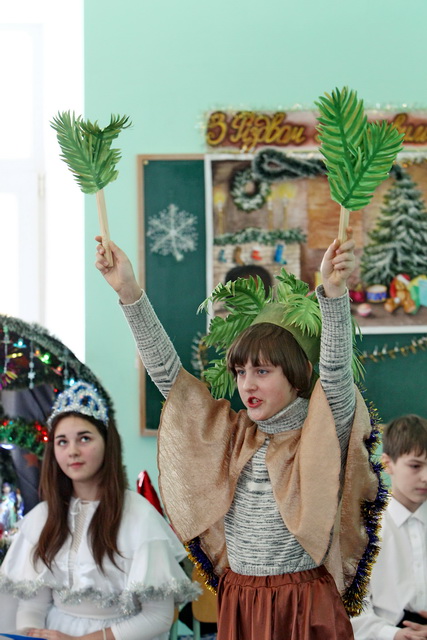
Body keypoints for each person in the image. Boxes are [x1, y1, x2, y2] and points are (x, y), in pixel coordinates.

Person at [94, 231, 382, 640]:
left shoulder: (320, 430)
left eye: (262, 371)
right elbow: (169, 377)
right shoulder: (233, 434)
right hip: (241, 600)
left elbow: (335, 374)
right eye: (241, 372)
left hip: (302, 603)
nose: (247, 384)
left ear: (298, 374)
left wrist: (334, 294)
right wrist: (129, 292)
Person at [0, 380, 198, 640]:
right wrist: (32, 635)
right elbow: (32, 605)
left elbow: (157, 617)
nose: (72, 451)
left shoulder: (139, 516)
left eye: (84, 439)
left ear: (107, 443)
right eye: (62, 442)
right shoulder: (43, 517)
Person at [351, 414, 427, 640]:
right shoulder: (366, 527)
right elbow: (353, 605)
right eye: (415, 466)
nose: (425, 477)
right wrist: (390, 634)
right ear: (387, 464)